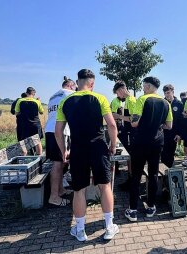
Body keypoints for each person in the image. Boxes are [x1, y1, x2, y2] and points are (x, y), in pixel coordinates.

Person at [55, 69, 119, 241]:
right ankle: (109, 227)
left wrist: (63, 151)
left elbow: (58, 132)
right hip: (98, 147)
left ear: (77, 82)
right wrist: (113, 145)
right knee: (105, 186)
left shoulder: (65, 101)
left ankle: (81, 230)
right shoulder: (100, 98)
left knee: (79, 190)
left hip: (78, 149)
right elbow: (112, 126)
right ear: (92, 83)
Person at [125, 76, 173, 222]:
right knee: (152, 174)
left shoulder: (142, 99)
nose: (143, 88)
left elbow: (134, 123)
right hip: (157, 141)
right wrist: (157, 126)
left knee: (136, 175)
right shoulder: (166, 102)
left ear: (148, 86)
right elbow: (169, 126)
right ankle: (151, 207)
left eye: (144, 86)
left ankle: (133, 210)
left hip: (141, 141)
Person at [45, 76, 76, 206]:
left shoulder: (52, 96)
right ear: (70, 85)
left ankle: (60, 190)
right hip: (60, 131)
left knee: (61, 162)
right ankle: (54, 197)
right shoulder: (70, 93)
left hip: (50, 130)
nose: (76, 89)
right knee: (58, 163)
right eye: (75, 87)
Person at [110, 80, 136, 190]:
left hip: (132, 132)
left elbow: (133, 119)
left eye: (117, 93)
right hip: (126, 131)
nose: (117, 95)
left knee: (131, 156)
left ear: (121, 90)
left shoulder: (132, 100)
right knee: (129, 156)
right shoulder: (124, 100)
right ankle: (130, 179)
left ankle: (132, 180)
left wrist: (118, 116)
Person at [15, 87, 44, 155]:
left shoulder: (20, 100)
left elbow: (16, 113)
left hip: (24, 124)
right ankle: (39, 158)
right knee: (37, 141)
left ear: (26, 92)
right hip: (35, 124)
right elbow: (41, 112)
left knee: (22, 142)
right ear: (33, 93)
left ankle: (23, 158)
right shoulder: (37, 101)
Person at [161, 84, 183, 168]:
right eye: (165, 93)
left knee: (170, 154)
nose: (167, 95)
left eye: (168, 92)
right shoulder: (162, 103)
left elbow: (181, 121)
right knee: (163, 153)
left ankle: (168, 174)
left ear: (173, 92)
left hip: (174, 133)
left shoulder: (179, 104)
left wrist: (179, 134)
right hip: (163, 132)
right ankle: (163, 173)